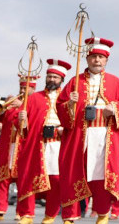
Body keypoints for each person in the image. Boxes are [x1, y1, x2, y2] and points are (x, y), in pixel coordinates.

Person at [56, 37, 119, 224]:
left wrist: (114, 108)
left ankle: (103, 214)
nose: (97, 60)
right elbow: (60, 107)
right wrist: (70, 104)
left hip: (105, 134)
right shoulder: (74, 81)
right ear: (87, 59)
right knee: (74, 172)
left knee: (101, 175)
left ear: (106, 60)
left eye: (101, 57)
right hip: (80, 135)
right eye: (93, 57)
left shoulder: (117, 82)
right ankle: (69, 216)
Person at [15, 59, 70, 224]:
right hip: (37, 144)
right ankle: (27, 215)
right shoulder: (33, 98)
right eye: (50, 76)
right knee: (30, 178)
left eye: (56, 77)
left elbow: (73, 123)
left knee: (55, 180)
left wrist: (63, 130)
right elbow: (23, 129)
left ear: (61, 80)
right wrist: (22, 120)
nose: (52, 79)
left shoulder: (67, 99)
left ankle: (50, 215)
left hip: (58, 144)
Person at [0, 77, 33, 221]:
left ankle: (21, 211)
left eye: (26, 88)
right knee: (2, 180)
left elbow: (34, 120)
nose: (23, 91)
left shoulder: (34, 103)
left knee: (23, 182)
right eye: (21, 88)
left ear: (32, 89)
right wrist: (3, 106)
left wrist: (21, 106)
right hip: (7, 148)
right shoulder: (12, 104)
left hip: (23, 148)